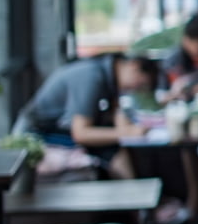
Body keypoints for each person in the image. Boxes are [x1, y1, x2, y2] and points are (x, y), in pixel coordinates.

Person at [13, 53, 158, 151]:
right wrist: (126, 133)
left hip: (58, 132)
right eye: (141, 85)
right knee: (107, 149)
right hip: (35, 135)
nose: (136, 90)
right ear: (134, 66)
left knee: (111, 148)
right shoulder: (92, 76)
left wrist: (128, 129)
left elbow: (119, 119)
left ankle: (133, 190)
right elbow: (81, 134)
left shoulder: (109, 77)